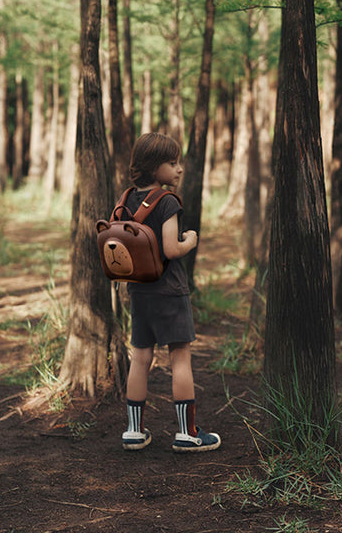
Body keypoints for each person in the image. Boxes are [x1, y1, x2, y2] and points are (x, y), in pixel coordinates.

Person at [120, 132, 220, 453]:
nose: (179, 169)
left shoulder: (125, 200)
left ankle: (134, 432)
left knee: (141, 357)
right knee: (180, 358)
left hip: (139, 291)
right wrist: (190, 239)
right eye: (172, 163)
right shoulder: (167, 201)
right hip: (170, 292)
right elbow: (171, 248)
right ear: (153, 167)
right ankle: (187, 433)